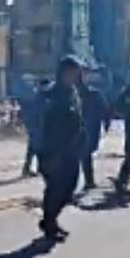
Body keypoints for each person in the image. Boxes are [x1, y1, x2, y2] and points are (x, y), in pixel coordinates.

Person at [38, 56, 86, 241]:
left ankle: (50, 219)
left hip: (70, 150)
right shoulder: (51, 94)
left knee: (68, 189)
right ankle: (49, 224)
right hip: (53, 151)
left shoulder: (72, 92)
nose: (76, 75)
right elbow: (43, 124)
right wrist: (46, 152)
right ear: (64, 73)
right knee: (55, 189)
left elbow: (77, 119)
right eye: (73, 72)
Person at [77, 71, 111, 190]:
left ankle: (88, 181)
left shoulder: (93, 94)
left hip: (90, 129)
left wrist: (106, 123)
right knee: (83, 155)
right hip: (79, 130)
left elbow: (105, 110)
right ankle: (88, 181)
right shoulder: (68, 94)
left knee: (84, 155)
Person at [20, 79, 50, 177]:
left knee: (33, 149)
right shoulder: (41, 96)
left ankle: (29, 169)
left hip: (35, 128)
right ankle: (35, 168)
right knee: (37, 149)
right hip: (39, 128)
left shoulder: (36, 95)